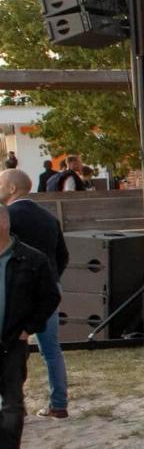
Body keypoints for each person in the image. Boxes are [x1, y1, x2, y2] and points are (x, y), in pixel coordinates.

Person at [0, 169, 68, 420]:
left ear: (12, 188)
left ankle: (13, 405)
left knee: (9, 350)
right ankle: (58, 404)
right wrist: (50, 280)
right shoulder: (49, 218)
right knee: (51, 350)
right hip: (47, 291)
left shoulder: (7, 217)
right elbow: (63, 255)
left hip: (14, 291)